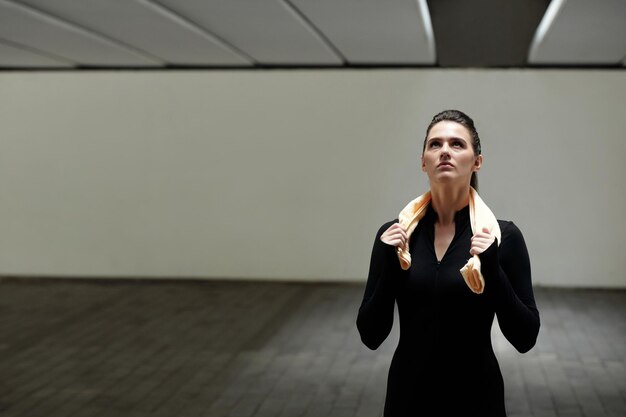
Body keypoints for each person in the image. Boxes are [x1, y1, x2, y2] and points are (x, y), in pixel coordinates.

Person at [356, 110, 540, 416]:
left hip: (477, 400)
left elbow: (525, 338)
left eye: (457, 144)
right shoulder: (395, 237)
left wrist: (492, 269)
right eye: (435, 144)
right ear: (423, 161)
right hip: (407, 399)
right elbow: (371, 335)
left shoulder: (502, 237)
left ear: (477, 161)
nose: (445, 151)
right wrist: (390, 267)